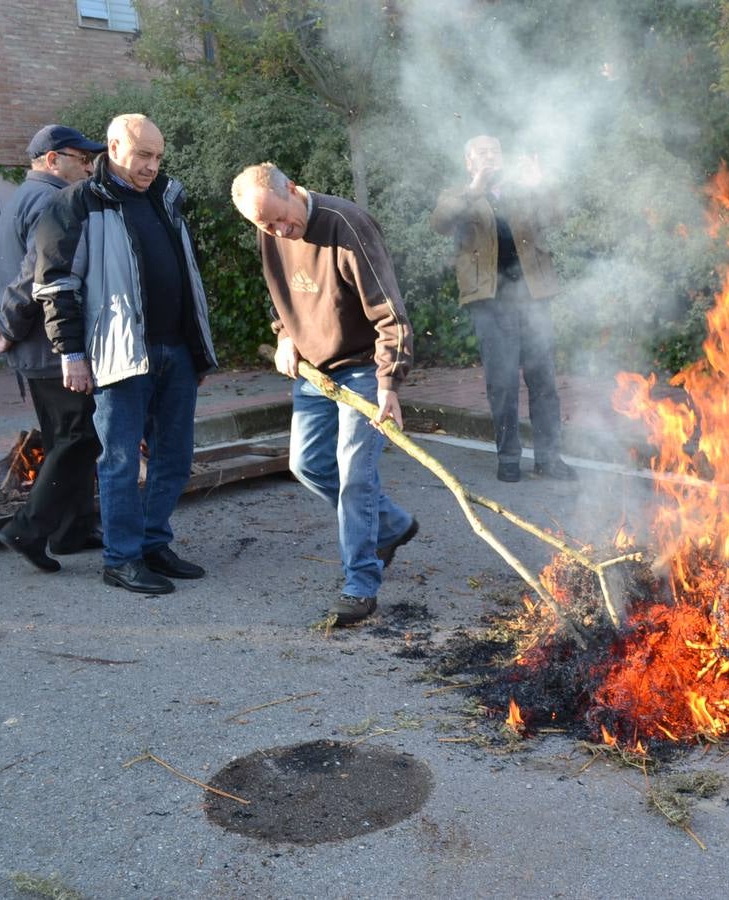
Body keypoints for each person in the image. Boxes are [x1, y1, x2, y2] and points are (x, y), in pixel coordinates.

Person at [32, 114, 218, 595]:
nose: (152, 166)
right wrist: (71, 352)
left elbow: (186, 272)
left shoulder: (166, 197)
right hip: (118, 354)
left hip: (175, 351)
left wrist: (197, 350)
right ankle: (121, 558)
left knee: (174, 457)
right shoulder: (74, 204)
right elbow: (55, 285)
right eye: (142, 155)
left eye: (157, 156)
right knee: (117, 460)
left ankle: (154, 543)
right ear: (114, 148)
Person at [230, 162, 419, 626]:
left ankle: (361, 583)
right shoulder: (268, 230)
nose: (278, 230)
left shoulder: (347, 225)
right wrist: (284, 336)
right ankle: (391, 525)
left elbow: (391, 314)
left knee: (355, 475)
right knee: (307, 464)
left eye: (280, 218)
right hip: (315, 372)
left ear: (293, 189)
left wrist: (388, 383)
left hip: (362, 370)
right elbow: (279, 294)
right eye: (265, 225)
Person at [0, 125, 104, 572]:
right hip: (51, 346)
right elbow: (37, 273)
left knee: (63, 438)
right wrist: (7, 326)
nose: (88, 166)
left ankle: (73, 531)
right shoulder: (53, 200)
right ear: (52, 160)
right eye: (80, 157)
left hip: (33, 349)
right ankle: (26, 530)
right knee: (81, 437)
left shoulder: (17, 199)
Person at [431, 135, 576, 483]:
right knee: (503, 382)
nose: (490, 156)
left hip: (533, 296)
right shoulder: (458, 194)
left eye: (495, 151)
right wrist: (477, 186)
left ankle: (549, 458)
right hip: (490, 301)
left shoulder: (521, 190)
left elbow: (557, 216)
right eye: (481, 152)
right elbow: (441, 223)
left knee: (543, 379)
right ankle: (509, 458)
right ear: (468, 161)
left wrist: (541, 183)